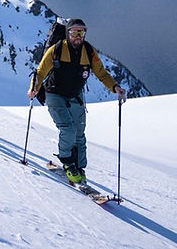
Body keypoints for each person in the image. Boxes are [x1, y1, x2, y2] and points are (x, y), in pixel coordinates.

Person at [27, 18, 127, 185]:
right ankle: (67, 163)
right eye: (74, 32)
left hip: (76, 96)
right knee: (68, 130)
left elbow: (101, 73)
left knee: (79, 135)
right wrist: (34, 88)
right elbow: (40, 71)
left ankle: (79, 167)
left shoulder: (88, 52)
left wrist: (115, 87)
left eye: (81, 32)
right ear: (68, 33)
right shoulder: (56, 50)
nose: (78, 36)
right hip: (54, 94)